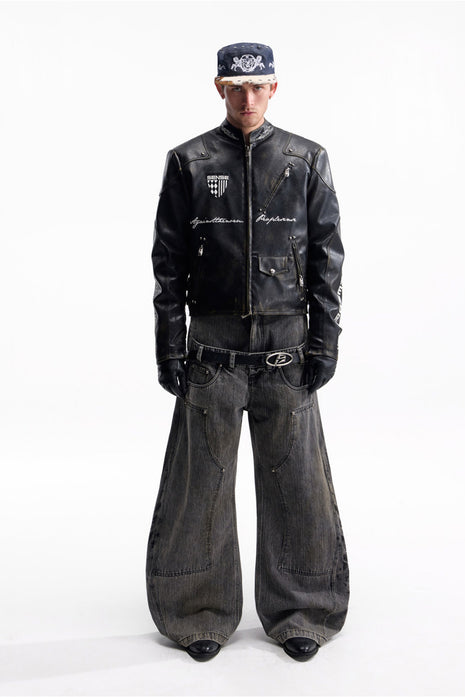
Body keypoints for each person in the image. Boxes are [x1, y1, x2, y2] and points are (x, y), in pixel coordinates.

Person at [145, 42, 349, 662]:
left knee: (296, 479)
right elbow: (168, 262)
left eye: (258, 86)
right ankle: (196, 610)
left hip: (287, 347)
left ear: (274, 88)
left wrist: (325, 339)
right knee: (201, 482)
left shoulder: (306, 159)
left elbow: (328, 258)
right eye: (236, 87)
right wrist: (169, 345)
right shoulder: (189, 161)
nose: (248, 98)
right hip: (211, 347)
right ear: (219, 88)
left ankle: (302, 610)